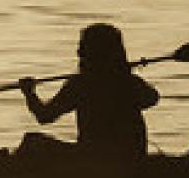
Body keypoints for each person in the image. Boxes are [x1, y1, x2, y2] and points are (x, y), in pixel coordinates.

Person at [18, 23, 160, 166]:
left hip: (93, 158)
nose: (78, 52)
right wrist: (124, 72)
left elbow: (44, 116)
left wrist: (29, 93)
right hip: (132, 156)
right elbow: (152, 98)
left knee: (32, 141)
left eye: (83, 46)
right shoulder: (130, 82)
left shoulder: (80, 84)